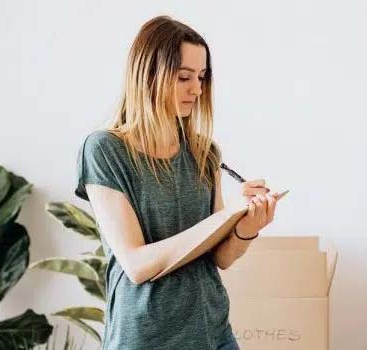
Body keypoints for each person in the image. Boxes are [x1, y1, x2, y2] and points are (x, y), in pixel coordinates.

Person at [74, 15, 279, 350]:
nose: (197, 89)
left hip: (213, 333)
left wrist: (246, 226)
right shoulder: (105, 150)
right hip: (145, 339)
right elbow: (137, 265)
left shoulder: (204, 152)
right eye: (184, 77)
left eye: (201, 77)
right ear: (148, 75)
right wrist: (222, 219)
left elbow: (220, 258)